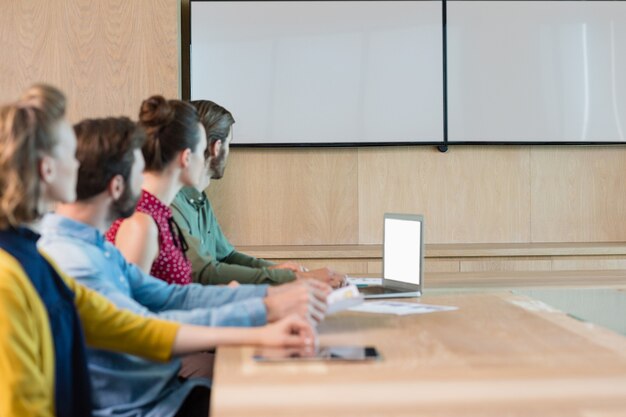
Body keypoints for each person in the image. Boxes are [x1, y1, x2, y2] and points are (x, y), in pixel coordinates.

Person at [0, 84, 315, 417]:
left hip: (159, 394)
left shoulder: (47, 256)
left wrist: (264, 306)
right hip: (143, 405)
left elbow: (150, 312)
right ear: (47, 170)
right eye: (70, 153)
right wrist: (263, 311)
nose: (79, 163)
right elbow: (139, 327)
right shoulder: (37, 265)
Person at [171, 100, 346, 288]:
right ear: (216, 147)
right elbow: (204, 272)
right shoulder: (172, 203)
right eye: (229, 144)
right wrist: (293, 278)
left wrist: (276, 269)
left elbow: (227, 256)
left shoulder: (199, 199)